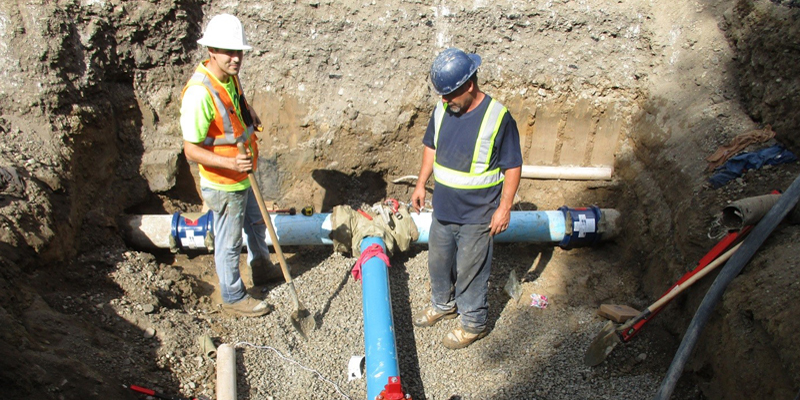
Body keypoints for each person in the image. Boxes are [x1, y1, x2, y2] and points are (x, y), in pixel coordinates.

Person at [410, 47, 523, 349]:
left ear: (469, 85)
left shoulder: (499, 118)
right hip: (444, 209)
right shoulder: (442, 109)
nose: (444, 101)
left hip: (478, 214)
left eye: (449, 94)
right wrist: (421, 184)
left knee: (471, 270)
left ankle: (473, 323)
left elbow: (512, 165)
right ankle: (443, 305)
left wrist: (505, 208)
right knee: (439, 261)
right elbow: (430, 147)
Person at [180, 14, 280, 317]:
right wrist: (229, 161)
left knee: (254, 223)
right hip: (223, 180)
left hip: (243, 172)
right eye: (229, 52)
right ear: (211, 51)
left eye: (239, 52)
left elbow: (236, 101)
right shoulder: (199, 93)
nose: (236, 58)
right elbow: (191, 150)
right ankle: (233, 296)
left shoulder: (229, 75)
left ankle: (261, 267)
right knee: (229, 238)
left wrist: (250, 113)